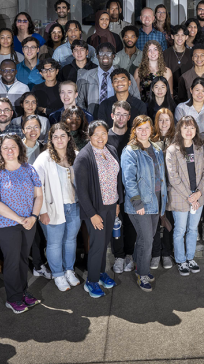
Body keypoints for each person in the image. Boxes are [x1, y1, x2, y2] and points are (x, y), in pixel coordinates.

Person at [0, 134, 44, 312]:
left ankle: (23, 291)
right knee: (12, 260)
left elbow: (38, 196)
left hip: (29, 222)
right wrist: (20, 219)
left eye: (13, 147)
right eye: (5, 148)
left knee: (24, 258)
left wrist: (33, 217)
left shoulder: (29, 169)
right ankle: (13, 298)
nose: (10, 151)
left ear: (20, 149)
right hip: (6, 224)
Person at [74, 120, 122, 298]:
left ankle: (101, 273)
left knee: (104, 244)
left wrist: (117, 203)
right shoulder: (84, 157)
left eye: (104, 133)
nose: (101, 137)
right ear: (90, 135)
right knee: (96, 245)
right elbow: (81, 191)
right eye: (96, 134)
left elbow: (117, 179)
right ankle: (91, 281)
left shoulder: (111, 150)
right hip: (96, 209)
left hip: (111, 206)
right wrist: (92, 214)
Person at [33, 123, 82, 291]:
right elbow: (37, 187)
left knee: (70, 241)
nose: (59, 139)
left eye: (63, 136)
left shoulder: (76, 155)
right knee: (54, 243)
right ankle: (58, 274)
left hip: (74, 207)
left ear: (69, 137)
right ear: (51, 140)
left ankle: (69, 270)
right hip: (53, 209)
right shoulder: (43, 159)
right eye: (55, 136)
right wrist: (42, 211)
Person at [121, 116, 168, 291]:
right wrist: (137, 202)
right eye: (139, 128)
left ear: (151, 130)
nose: (143, 132)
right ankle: (142, 273)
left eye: (146, 128)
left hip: (156, 201)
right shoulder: (130, 151)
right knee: (147, 240)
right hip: (140, 204)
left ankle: (139, 265)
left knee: (146, 237)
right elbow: (129, 179)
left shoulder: (156, 148)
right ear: (134, 130)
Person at [166, 116, 204, 276]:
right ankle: (181, 260)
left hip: (198, 197)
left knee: (192, 229)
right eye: (185, 127)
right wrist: (190, 196)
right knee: (180, 230)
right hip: (180, 197)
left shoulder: (199, 147)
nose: (189, 131)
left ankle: (190, 258)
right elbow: (173, 178)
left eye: (192, 127)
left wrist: (198, 193)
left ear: (196, 130)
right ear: (179, 130)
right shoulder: (172, 150)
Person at [104, 101, 138, 274]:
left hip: (131, 188)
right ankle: (118, 256)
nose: (121, 118)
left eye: (125, 114)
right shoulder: (105, 137)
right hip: (111, 189)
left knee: (131, 223)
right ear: (112, 115)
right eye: (118, 114)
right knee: (115, 223)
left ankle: (129, 255)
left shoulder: (134, 138)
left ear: (129, 117)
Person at [78, 45, 141, 117]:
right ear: (97, 56)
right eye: (101, 53)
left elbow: (136, 99)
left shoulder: (126, 76)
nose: (105, 56)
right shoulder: (86, 76)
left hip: (119, 118)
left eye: (109, 53)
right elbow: (80, 101)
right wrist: (86, 117)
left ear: (113, 56)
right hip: (93, 117)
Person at [151, 108, 176, 270]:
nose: (164, 123)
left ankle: (166, 253)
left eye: (167, 120)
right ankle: (155, 254)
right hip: (155, 188)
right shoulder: (150, 139)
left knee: (168, 221)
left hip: (173, 187)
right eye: (161, 120)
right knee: (154, 222)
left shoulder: (177, 139)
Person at [163, 25, 194, 95]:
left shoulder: (191, 53)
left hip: (188, 91)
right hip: (169, 91)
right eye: (177, 35)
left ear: (186, 37)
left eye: (183, 35)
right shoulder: (165, 53)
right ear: (172, 36)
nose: (180, 38)